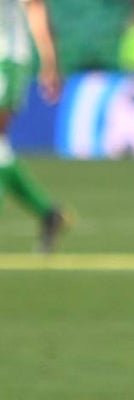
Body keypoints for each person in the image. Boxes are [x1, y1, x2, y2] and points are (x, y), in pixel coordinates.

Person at [0, 0, 67, 252]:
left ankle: (48, 213)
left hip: (7, 60)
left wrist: (49, 61)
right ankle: (48, 213)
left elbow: (35, 7)